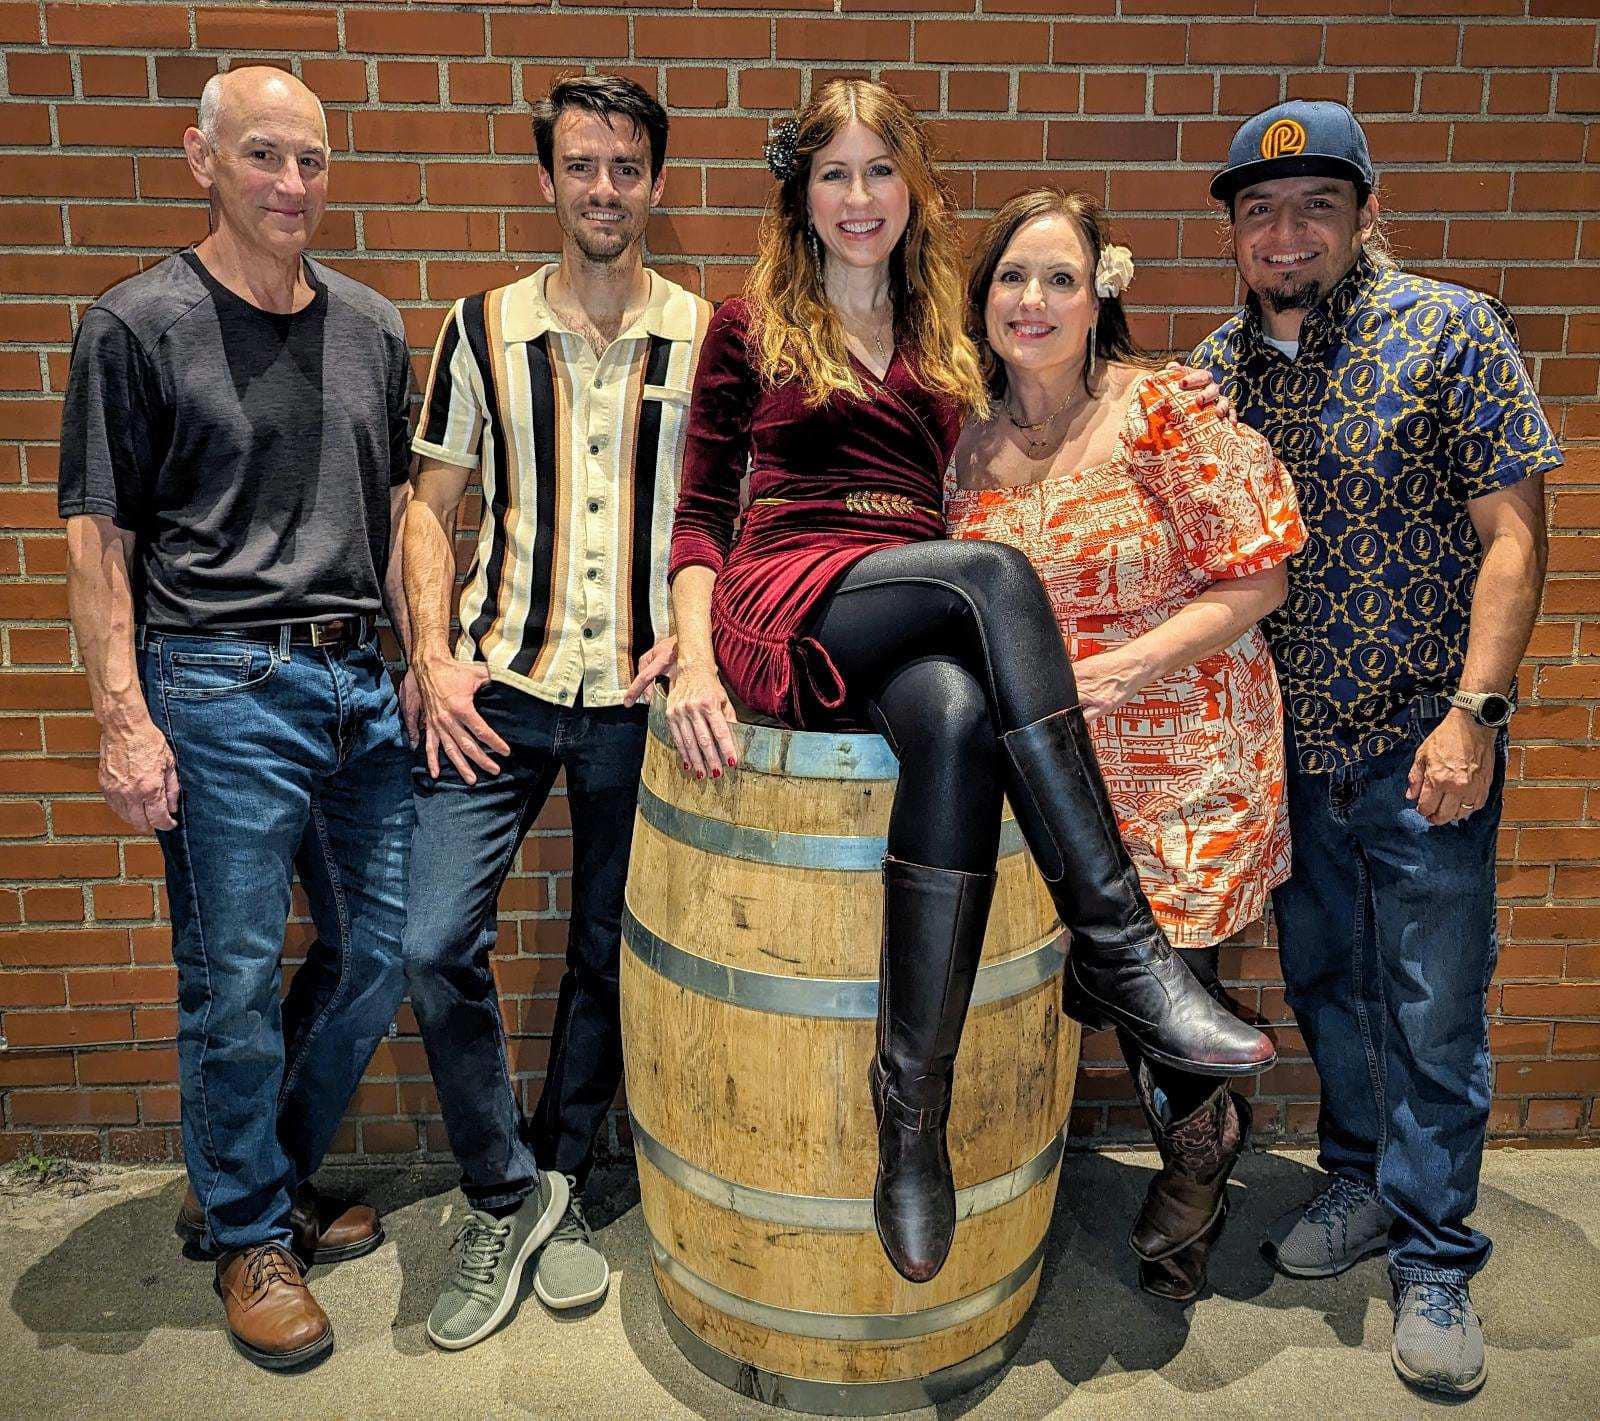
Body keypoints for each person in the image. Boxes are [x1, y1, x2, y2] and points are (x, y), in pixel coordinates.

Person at [651, 79, 1274, 1288]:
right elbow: (698, 514)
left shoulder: (948, 328)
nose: (858, 196)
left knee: (951, 713)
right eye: (833, 173)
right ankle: (1122, 947)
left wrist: (1153, 387)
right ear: (801, 194)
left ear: (913, 187)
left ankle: (909, 1116)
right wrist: (689, 649)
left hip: (908, 604)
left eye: (879, 170)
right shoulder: (747, 323)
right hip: (788, 591)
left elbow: (1057, 401)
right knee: (992, 575)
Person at [1194, 100, 1559, 1396]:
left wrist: (1477, 714)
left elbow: (1514, 536)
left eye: (1315, 206)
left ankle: (1435, 1253)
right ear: (1235, 232)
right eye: (1260, 211)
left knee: (1432, 1006)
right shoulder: (1214, 373)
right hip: (1292, 755)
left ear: (1364, 213)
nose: (1285, 232)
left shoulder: (1449, 332)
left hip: (1422, 745)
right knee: (1327, 988)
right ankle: (1358, 1180)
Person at [57, 68, 415, 1369]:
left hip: (359, 681)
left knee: (383, 946)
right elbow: (98, 540)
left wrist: (421, 659)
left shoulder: (372, 326)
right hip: (215, 687)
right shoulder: (136, 324)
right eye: (263, 154)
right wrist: (122, 716)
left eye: (311, 159)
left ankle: (244, 1179)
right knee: (235, 977)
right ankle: (253, 1234)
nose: (291, 183)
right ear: (201, 158)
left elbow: (400, 517)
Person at [947, 188, 1305, 1302]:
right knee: (1096, 982)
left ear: (1100, 294)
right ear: (983, 299)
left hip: (1183, 749)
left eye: (1061, 277)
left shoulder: (1161, 409)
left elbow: (1259, 576)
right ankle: (1184, 1143)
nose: (1034, 299)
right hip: (1046, 770)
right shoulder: (962, 442)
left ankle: (1197, 1170)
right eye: (1013, 277)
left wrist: (1125, 666)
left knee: (1167, 994)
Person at [402, 75, 710, 1350]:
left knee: (605, 951)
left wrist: (698, 643)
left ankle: (565, 1177)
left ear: (655, 182)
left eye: (625, 167)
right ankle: (503, 1188)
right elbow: (429, 507)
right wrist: (431, 654)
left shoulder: (705, 334)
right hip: (499, 689)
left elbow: (729, 519)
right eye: (580, 164)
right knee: (430, 939)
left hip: (638, 700)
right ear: (547, 178)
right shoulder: (480, 327)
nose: (602, 188)